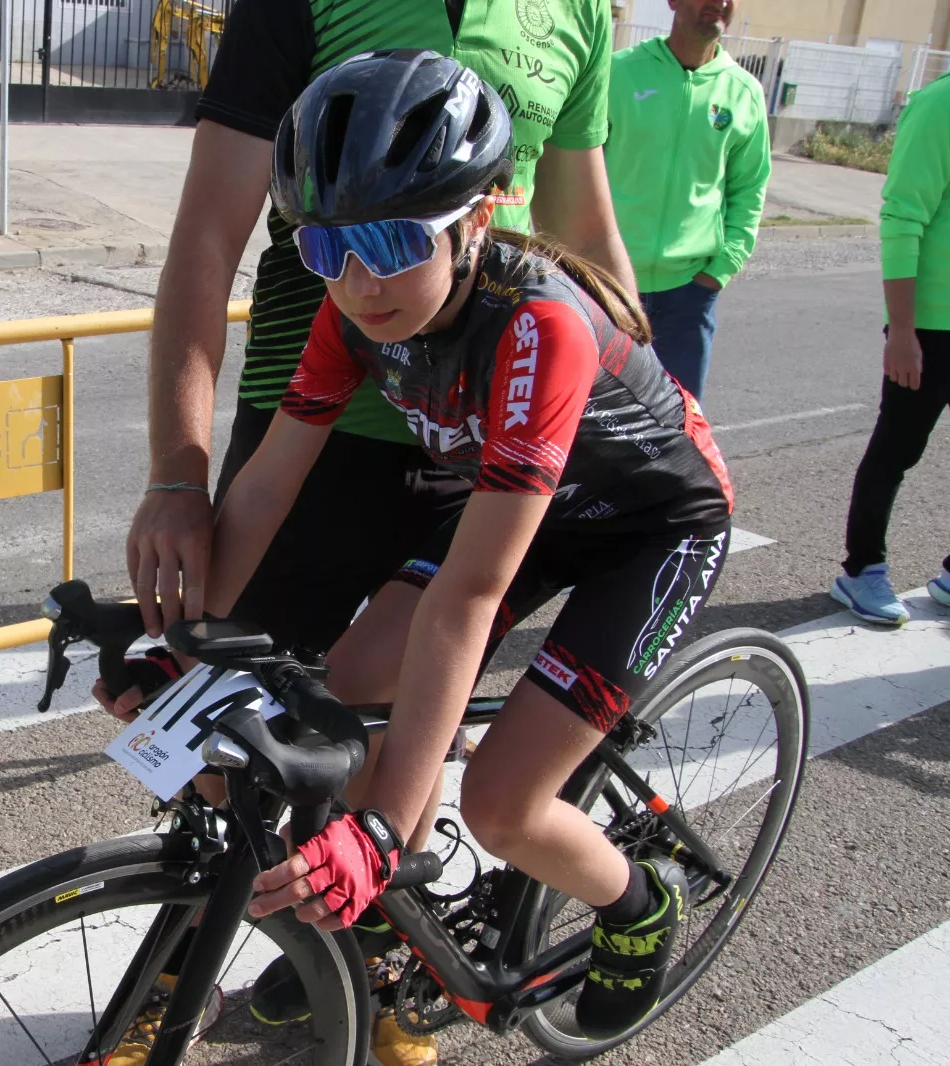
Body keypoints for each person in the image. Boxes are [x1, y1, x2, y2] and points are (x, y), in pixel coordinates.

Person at [104, 52, 736, 1066]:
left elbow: (467, 600)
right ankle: (387, 931)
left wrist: (391, 824)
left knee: (499, 803)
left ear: (481, 213)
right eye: (327, 248)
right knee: (348, 688)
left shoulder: (540, 328)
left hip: (648, 529)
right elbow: (264, 490)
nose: (361, 283)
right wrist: (175, 644)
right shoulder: (352, 309)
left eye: (398, 240)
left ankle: (636, 895)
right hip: (527, 499)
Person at [127, 0, 636, 660]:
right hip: (310, 437)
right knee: (222, 722)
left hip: (478, 436)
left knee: (398, 726)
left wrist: (640, 419)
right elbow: (208, 238)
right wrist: (176, 475)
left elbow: (584, 232)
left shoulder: (581, 9)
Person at [604, 0, 771, 400]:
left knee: (677, 430)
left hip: (688, 296)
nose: (721, 3)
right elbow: (576, 167)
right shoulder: (618, 73)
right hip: (609, 286)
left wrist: (719, 270)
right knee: (594, 426)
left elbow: (749, 188)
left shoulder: (744, 92)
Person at [831, 71, 950, 625]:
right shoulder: (939, 104)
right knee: (897, 449)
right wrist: (902, 331)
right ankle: (862, 571)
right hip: (931, 326)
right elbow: (903, 218)